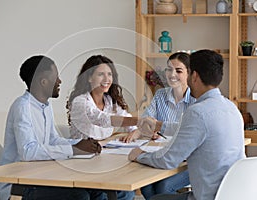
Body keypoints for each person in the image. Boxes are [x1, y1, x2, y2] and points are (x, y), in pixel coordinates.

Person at [129, 49, 246, 200]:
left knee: (155, 198)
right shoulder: (232, 108)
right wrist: (160, 126)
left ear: (194, 76)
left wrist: (140, 155)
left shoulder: (197, 112)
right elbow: (187, 129)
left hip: (208, 196)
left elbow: (168, 160)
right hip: (231, 193)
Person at [0, 55, 104, 200]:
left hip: (39, 177)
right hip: (18, 187)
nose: (60, 81)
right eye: (56, 77)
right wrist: (74, 149)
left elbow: (53, 140)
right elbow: (28, 152)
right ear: (43, 81)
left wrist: (82, 144)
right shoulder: (22, 107)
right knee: (79, 196)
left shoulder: (45, 106)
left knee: (97, 191)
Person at [121, 52, 196, 199]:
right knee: (146, 184)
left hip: (185, 161)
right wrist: (137, 132)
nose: (172, 74)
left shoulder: (196, 99)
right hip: (160, 154)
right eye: (168, 69)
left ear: (189, 73)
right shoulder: (161, 94)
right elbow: (146, 121)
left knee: (162, 186)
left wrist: (158, 126)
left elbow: (186, 129)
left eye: (178, 71)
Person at [66, 55, 137, 200]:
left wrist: (137, 130)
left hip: (103, 160)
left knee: (127, 192)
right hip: (82, 162)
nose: (107, 79)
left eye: (109, 74)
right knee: (114, 194)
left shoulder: (110, 101)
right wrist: (141, 121)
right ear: (89, 78)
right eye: (101, 74)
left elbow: (130, 122)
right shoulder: (80, 101)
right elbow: (102, 119)